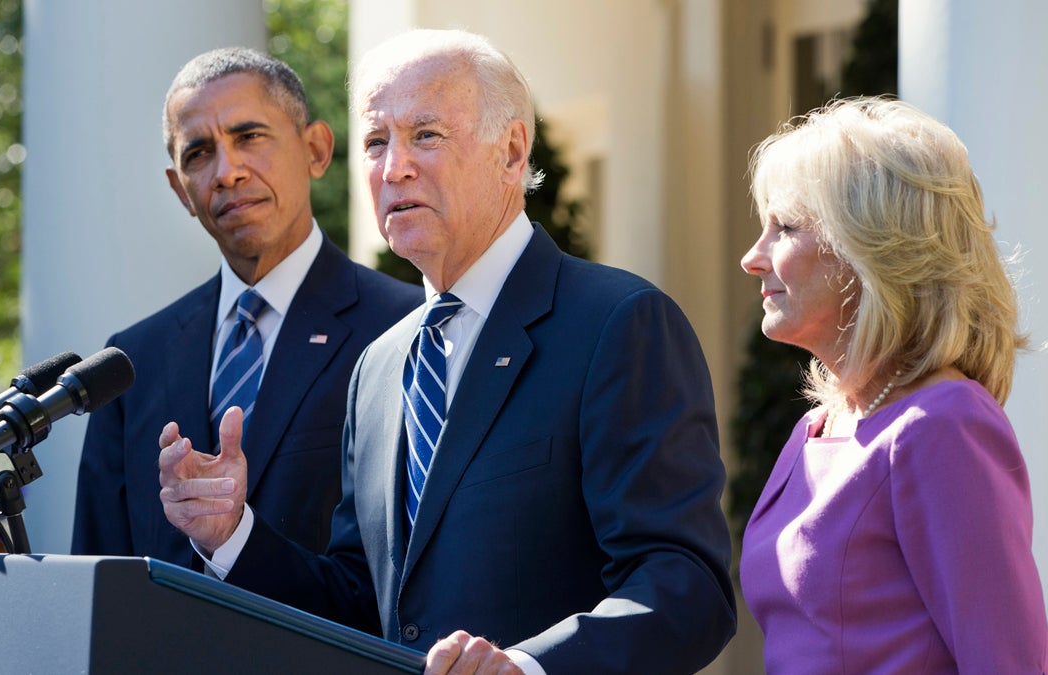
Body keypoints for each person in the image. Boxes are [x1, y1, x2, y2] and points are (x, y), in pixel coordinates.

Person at [158, 29, 735, 675]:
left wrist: (527, 667)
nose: (392, 166)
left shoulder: (616, 322)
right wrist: (231, 532)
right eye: (377, 141)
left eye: (425, 135)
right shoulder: (377, 366)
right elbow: (361, 606)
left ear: (512, 150)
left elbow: (686, 586)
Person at [71, 47, 423, 566]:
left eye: (249, 137)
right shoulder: (130, 363)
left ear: (316, 150)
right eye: (198, 154)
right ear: (181, 191)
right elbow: (99, 574)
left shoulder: (405, 327)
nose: (227, 171)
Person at [739, 96, 1048, 673]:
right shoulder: (814, 428)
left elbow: (1008, 661)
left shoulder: (944, 424)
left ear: (870, 250)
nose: (752, 258)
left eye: (783, 227)